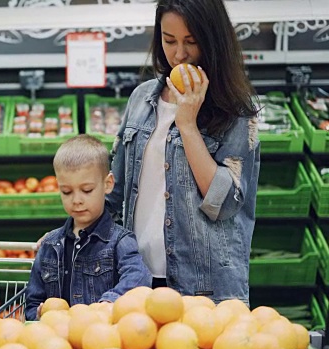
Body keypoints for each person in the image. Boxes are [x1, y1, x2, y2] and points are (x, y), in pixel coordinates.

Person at [106, 0, 260, 305]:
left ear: (213, 40)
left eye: (191, 41)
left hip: (204, 289)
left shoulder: (236, 111)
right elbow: (116, 192)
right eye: (169, 40)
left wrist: (188, 124)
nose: (179, 54)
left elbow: (224, 203)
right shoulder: (141, 99)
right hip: (135, 279)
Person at [25, 135, 151, 321]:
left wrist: (108, 304)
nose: (76, 200)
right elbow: (32, 302)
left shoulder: (119, 241)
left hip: (104, 338)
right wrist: (39, 313)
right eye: (66, 192)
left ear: (107, 184)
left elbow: (139, 277)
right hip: (58, 342)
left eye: (86, 190)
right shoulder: (49, 245)